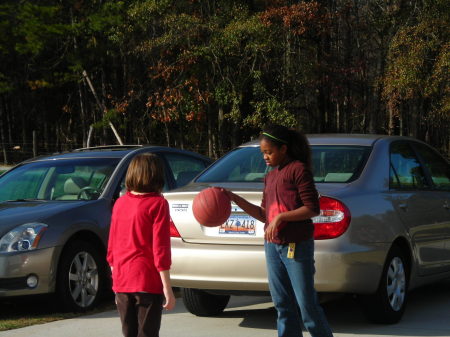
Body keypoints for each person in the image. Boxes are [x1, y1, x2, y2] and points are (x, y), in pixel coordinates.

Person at [224, 125, 333, 337]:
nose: (265, 157)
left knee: (306, 305)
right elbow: (265, 214)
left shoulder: (299, 169)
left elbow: (312, 208)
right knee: (282, 304)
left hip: (296, 247)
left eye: (269, 152)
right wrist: (235, 199)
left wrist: (281, 217)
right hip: (272, 247)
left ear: (283, 149)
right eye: (263, 153)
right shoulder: (270, 177)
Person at [107, 153, 176, 337]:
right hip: (147, 282)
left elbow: (112, 246)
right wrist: (167, 288)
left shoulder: (120, 203)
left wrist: (116, 284)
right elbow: (160, 248)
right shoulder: (158, 204)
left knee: (128, 333)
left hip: (122, 282)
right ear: (156, 175)